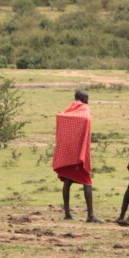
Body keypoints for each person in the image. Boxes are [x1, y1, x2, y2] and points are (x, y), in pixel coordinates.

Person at [53, 90, 97, 222]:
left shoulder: (68, 110)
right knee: (87, 182)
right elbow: (86, 120)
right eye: (87, 98)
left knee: (67, 181)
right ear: (83, 99)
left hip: (68, 153)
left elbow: (61, 119)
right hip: (79, 154)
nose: (88, 101)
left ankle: (67, 213)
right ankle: (90, 215)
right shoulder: (84, 110)